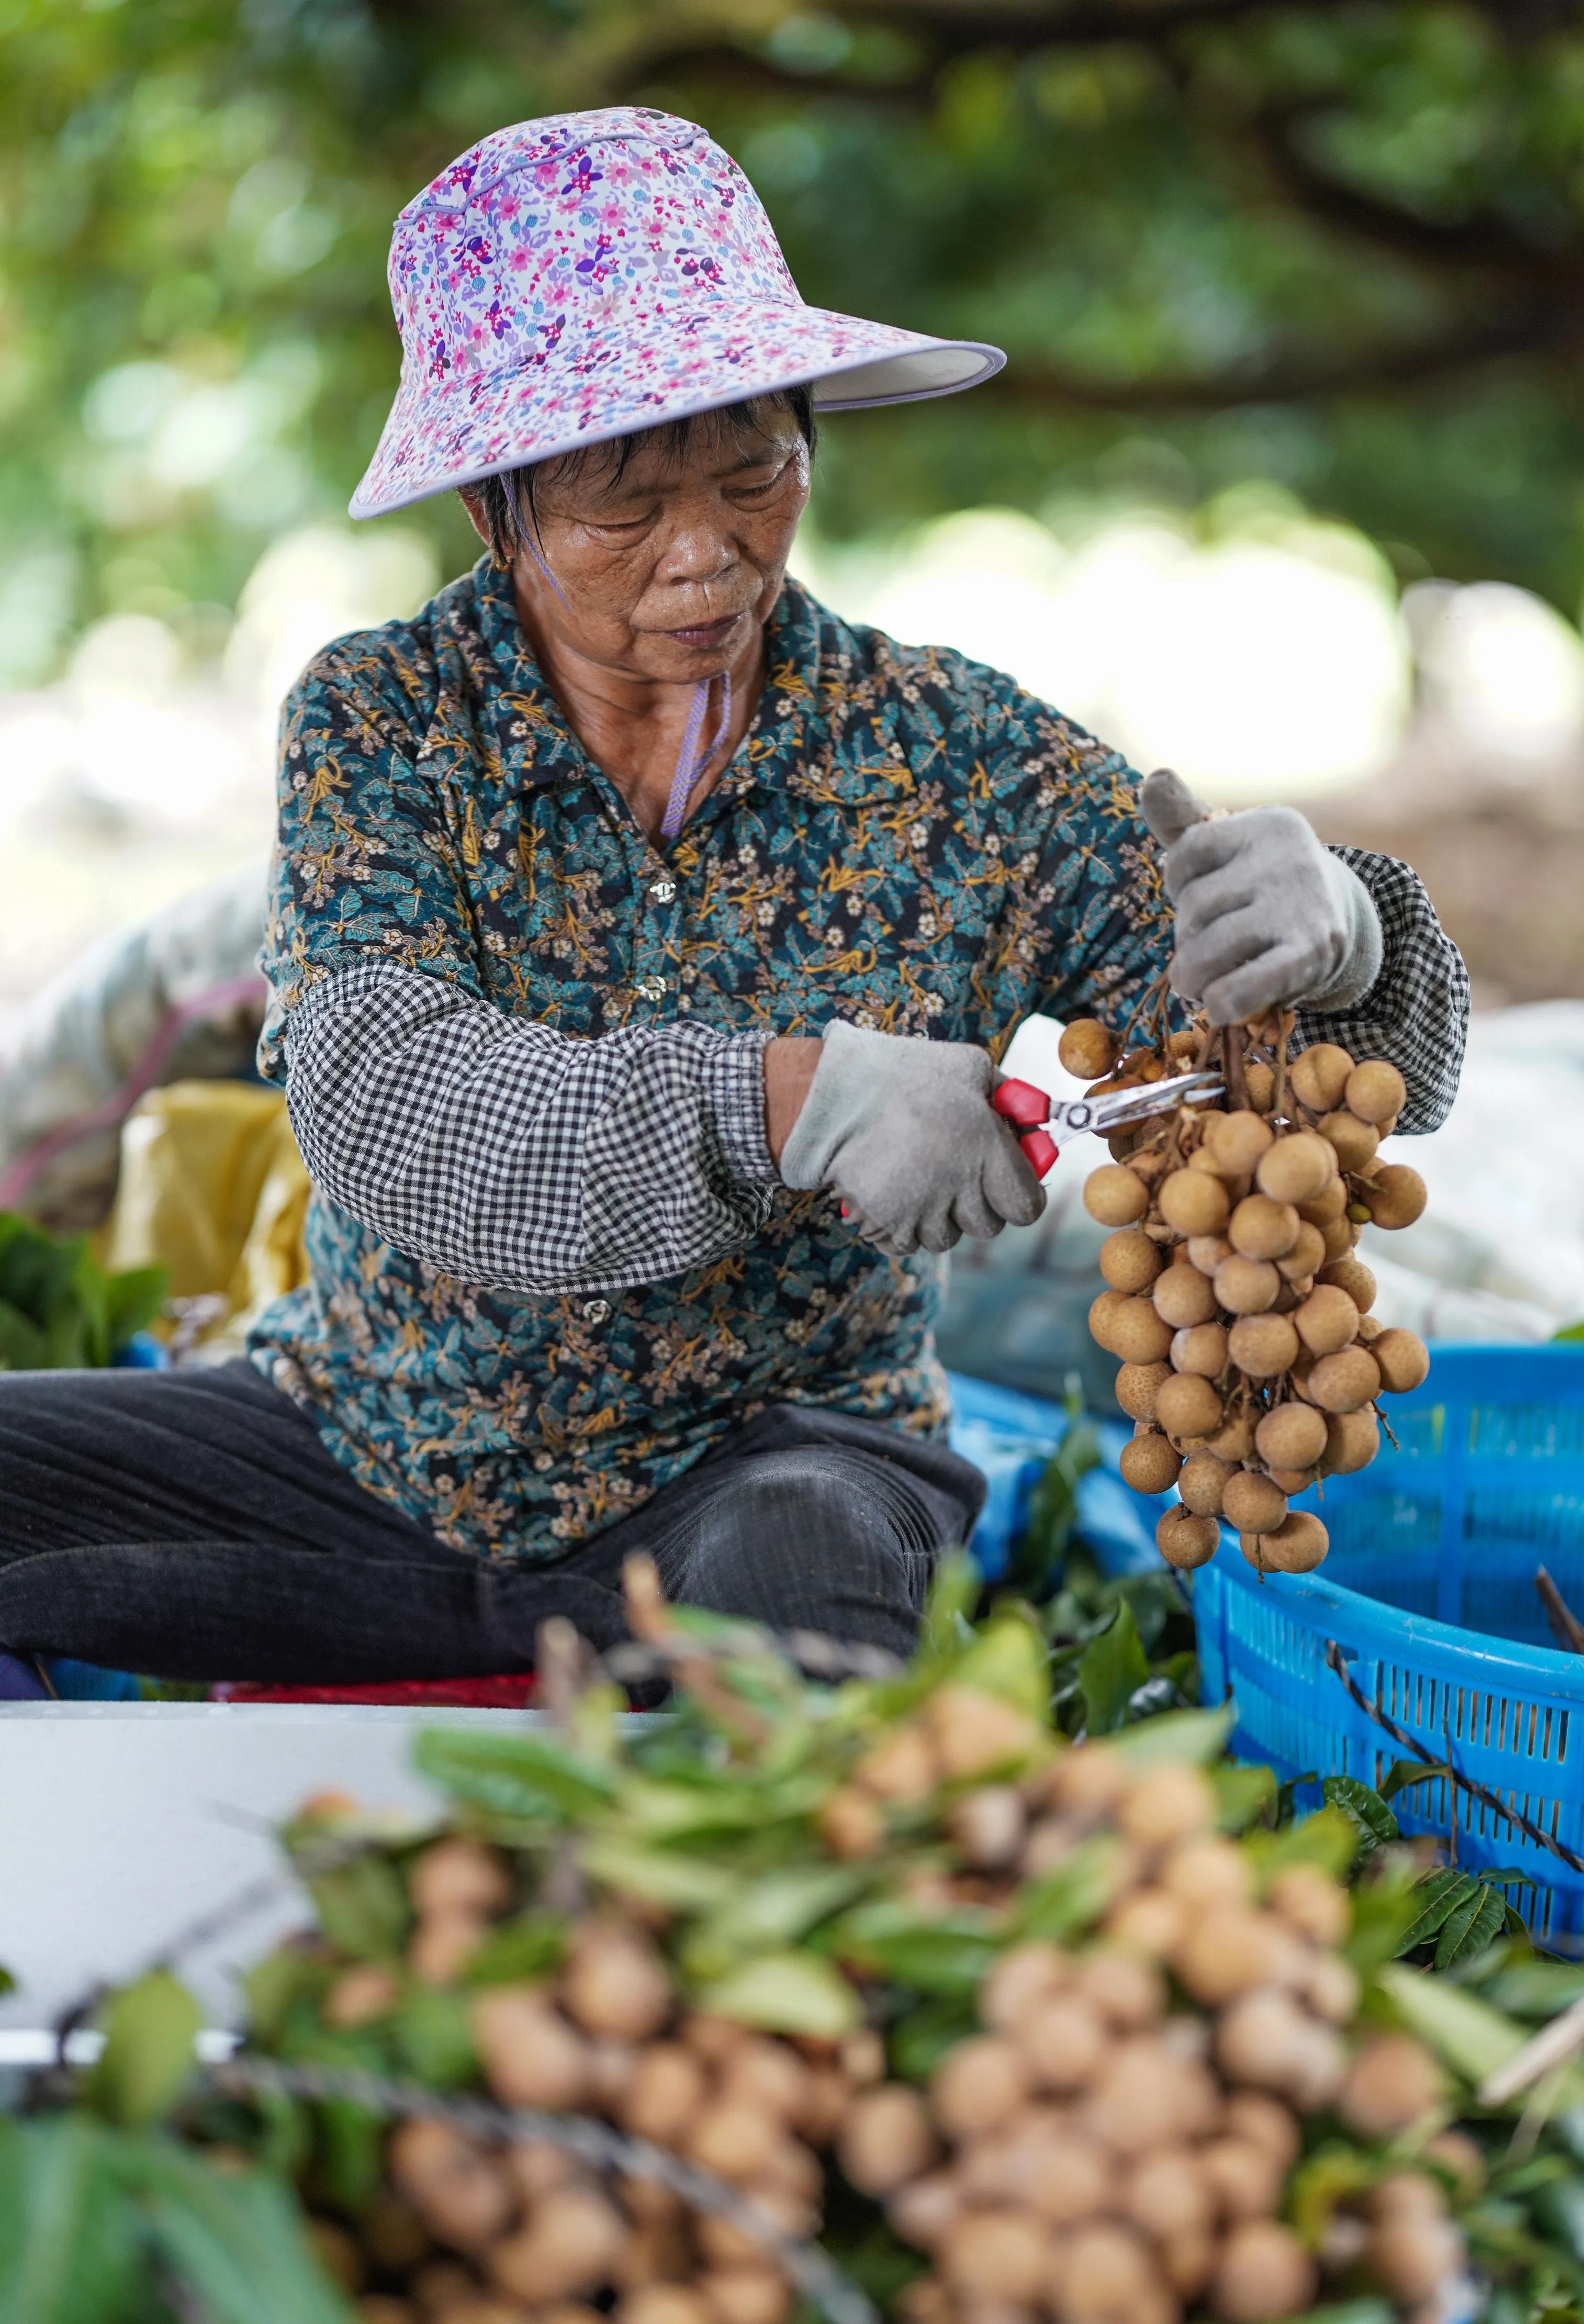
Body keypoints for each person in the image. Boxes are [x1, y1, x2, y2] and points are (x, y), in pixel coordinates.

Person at [0, 108, 1467, 1686]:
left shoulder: (962, 760)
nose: (706, 555)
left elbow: (1313, 1074)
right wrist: (805, 1104)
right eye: (623, 506)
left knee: (810, 1568)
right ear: (494, 512)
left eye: (754, 470)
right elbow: (390, 1102)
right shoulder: (385, 719)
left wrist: (1355, 939)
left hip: (779, 1463)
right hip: (372, 1455)